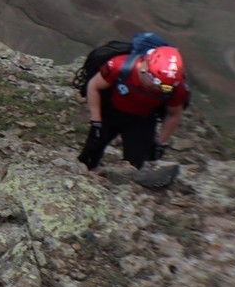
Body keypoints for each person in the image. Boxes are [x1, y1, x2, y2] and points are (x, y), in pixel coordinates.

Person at [78, 45, 188, 187]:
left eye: (166, 88)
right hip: (112, 112)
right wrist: (96, 122)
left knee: (135, 166)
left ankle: (122, 190)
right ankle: (83, 176)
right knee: (92, 150)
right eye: (157, 82)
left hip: (142, 120)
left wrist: (161, 143)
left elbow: (174, 113)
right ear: (145, 69)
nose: (159, 89)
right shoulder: (120, 66)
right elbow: (94, 86)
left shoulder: (176, 87)